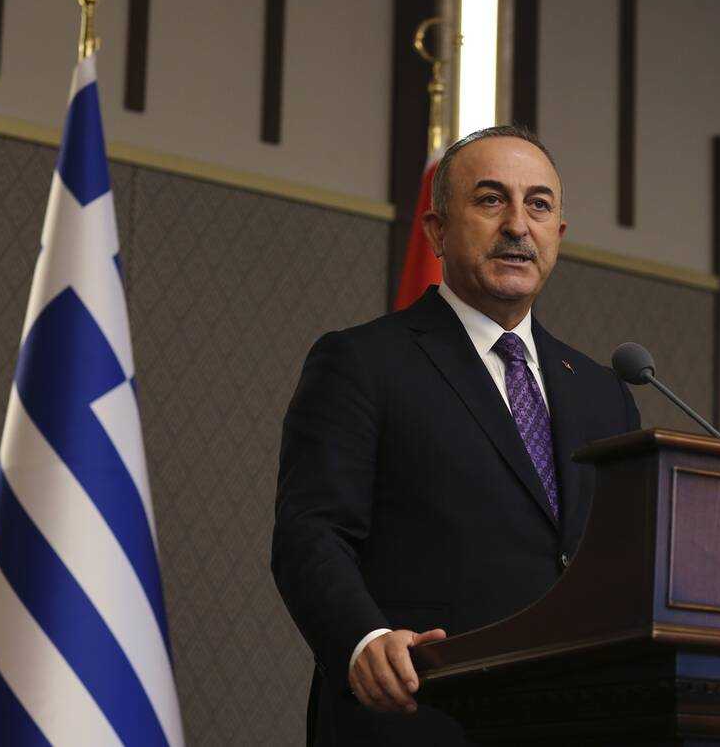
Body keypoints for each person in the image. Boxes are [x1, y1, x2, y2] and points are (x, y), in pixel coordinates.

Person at [271, 125, 641, 744]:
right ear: (437, 231)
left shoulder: (605, 392)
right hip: (420, 712)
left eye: (538, 205)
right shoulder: (363, 361)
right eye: (491, 200)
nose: (517, 225)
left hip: (572, 720)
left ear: (558, 234)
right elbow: (311, 534)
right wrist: (363, 640)